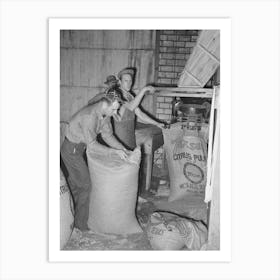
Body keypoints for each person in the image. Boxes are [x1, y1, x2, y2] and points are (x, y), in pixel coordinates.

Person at [60, 88, 128, 231]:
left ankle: (69, 213)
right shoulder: (90, 116)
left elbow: (108, 136)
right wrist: (114, 152)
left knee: (76, 183)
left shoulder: (105, 114)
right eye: (114, 109)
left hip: (80, 148)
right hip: (71, 150)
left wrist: (122, 149)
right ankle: (80, 224)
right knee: (86, 185)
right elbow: (93, 146)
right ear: (106, 104)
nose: (115, 113)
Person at [113, 67, 165, 150]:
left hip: (129, 132)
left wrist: (157, 123)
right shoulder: (116, 94)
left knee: (131, 158)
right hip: (118, 133)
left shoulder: (130, 96)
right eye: (126, 81)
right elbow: (130, 106)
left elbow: (140, 114)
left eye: (130, 81)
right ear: (120, 82)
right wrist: (144, 90)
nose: (129, 83)